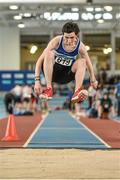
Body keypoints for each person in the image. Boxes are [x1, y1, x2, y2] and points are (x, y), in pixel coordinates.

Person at [34, 21, 98, 103]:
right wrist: (37, 81)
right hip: (52, 72)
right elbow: (39, 61)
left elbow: (89, 63)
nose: (68, 41)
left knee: (83, 61)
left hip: (66, 75)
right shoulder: (56, 41)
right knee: (48, 53)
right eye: (66, 37)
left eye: (71, 38)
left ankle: (77, 91)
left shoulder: (80, 46)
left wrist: (93, 78)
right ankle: (49, 89)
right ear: (63, 35)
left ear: (76, 36)